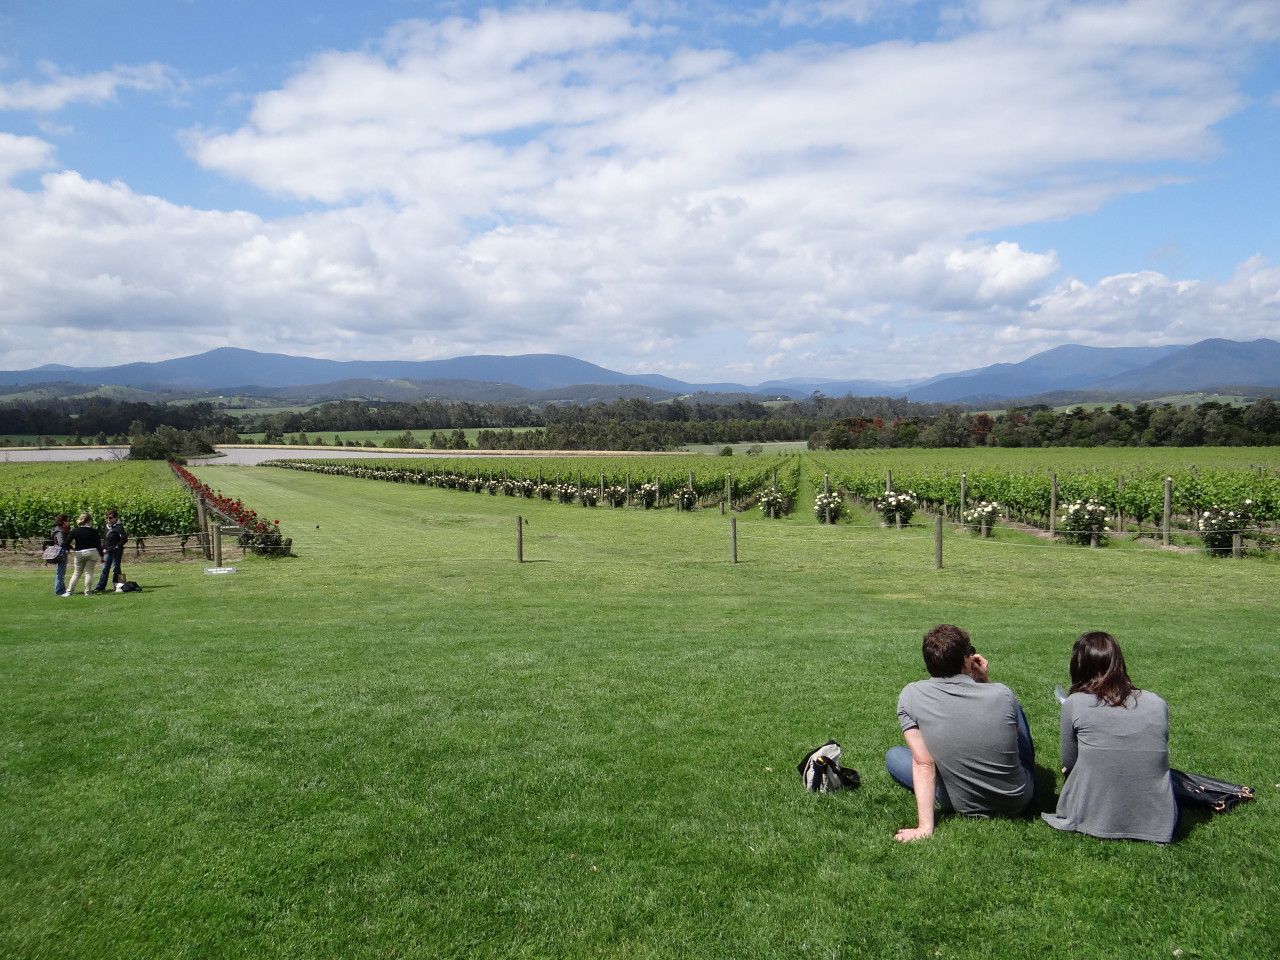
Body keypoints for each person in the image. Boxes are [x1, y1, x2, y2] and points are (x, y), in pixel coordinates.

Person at [886, 624, 1035, 842]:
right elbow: (1012, 734)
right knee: (1014, 710)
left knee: (895, 756)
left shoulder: (911, 695)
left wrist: (924, 827)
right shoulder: (1001, 693)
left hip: (962, 802)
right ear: (967, 660)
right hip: (1017, 799)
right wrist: (984, 681)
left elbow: (924, 764)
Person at [1041, 631, 1176, 843]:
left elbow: (1069, 762)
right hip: (1158, 820)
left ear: (1078, 666)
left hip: (1094, 816)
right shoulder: (1157, 703)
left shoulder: (1075, 703)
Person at [63, 512, 103, 597]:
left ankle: (69, 591)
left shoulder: (75, 531)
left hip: (79, 553)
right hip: (92, 552)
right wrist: (102, 556)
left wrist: (72, 548)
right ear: (90, 521)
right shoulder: (93, 531)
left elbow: (66, 543)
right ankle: (87, 592)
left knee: (77, 573)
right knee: (89, 573)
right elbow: (98, 545)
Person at [95, 509, 127, 592]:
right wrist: (103, 548)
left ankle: (119, 585)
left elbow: (124, 539)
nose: (109, 519)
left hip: (116, 551)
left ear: (116, 518)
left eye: (110, 518)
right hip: (107, 551)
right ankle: (100, 586)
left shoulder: (119, 527)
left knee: (116, 568)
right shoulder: (107, 527)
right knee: (105, 568)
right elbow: (106, 539)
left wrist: (116, 547)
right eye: (107, 517)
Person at [49, 513, 70, 597]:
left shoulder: (57, 530)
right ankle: (59, 590)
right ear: (63, 522)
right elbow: (61, 542)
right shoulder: (60, 531)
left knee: (61, 572)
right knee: (60, 572)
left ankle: (61, 588)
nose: (69, 522)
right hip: (60, 553)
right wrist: (67, 547)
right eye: (68, 520)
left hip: (58, 552)